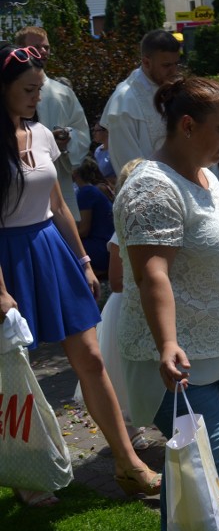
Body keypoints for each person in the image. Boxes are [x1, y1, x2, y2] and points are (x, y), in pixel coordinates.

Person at [0, 42, 160, 507]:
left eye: (40, 89)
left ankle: (128, 463)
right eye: (29, 90)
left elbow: (57, 206)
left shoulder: (43, 134)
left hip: (50, 249)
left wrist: (84, 261)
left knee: (91, 359)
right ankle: (24, 471)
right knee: (15, 371)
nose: (37, 97)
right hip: (6, 261)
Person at [113, 76, 219, 530]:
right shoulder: (152, 188)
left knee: (197, 479)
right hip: (179, 358)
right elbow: (150, 272)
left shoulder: (206, 175)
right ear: (188, 126)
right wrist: (168, 342)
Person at [73, 158, 151, 450]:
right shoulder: (122, 232)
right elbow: (117, 281)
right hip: (128, 305)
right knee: (123, 372)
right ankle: (128, 427)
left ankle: (148, 418)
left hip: (146, 303)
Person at [15, 26, 91, 222]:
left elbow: (82, 132)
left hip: (58, 182)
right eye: (36, 47)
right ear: (20, 49)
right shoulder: (8, 92)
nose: (43, 52)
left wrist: (67, 140)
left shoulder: (63, 93)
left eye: (46, 47)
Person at [101, 29, 181, 174]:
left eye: (176, 64)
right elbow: (127, 163)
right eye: (167, 65)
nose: (174, 71)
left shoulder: (176, 90)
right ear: (146, 62)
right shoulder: (124, 101)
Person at [71, 157, 114, 278]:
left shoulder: (86, 192)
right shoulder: (94, 190)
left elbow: (84, 231)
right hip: (107, 248)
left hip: (100, 249)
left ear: (75, 172)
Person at [91, 119, 116, 186]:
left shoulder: (115, 150)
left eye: (97, 131)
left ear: (107, 132)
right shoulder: (97, 150)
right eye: (94, 130)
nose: (94, 133)